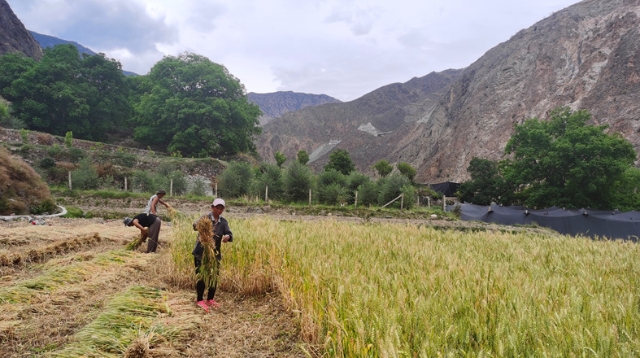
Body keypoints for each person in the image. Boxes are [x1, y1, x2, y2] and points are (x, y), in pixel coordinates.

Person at [192, 198, 232, 312]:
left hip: (214, 254)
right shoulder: (205, 218)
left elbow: (229, 233)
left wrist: (227, 237)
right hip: (201, 253)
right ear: (212, 207)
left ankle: (210, 299)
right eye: (217, 207)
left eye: (221, 208)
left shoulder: (223, 222)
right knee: (201, 276)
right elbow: (194, 226)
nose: (219, 210)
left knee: (214, 276)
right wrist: (200, 225)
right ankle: (200, 300)